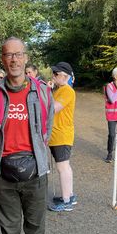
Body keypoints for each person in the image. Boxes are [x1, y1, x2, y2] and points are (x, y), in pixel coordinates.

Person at [0, 37, 54, 234]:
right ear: (2, 60)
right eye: (8, 55)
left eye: (18, 54)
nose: (14, 60)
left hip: (35, 175)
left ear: (26, 57)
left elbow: (46, 131)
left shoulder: (42, 92)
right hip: (3, 178)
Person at [47, 62, 77, 212]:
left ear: (63, 76)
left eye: (55, 74)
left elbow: (53, 108)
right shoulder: (58, 90)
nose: (52, 76)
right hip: (56, 134)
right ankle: (69, 195)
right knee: (64, 166)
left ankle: (67, 201)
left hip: (62, 134)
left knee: (62, 167)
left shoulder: (67, 91)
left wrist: (45, 92)